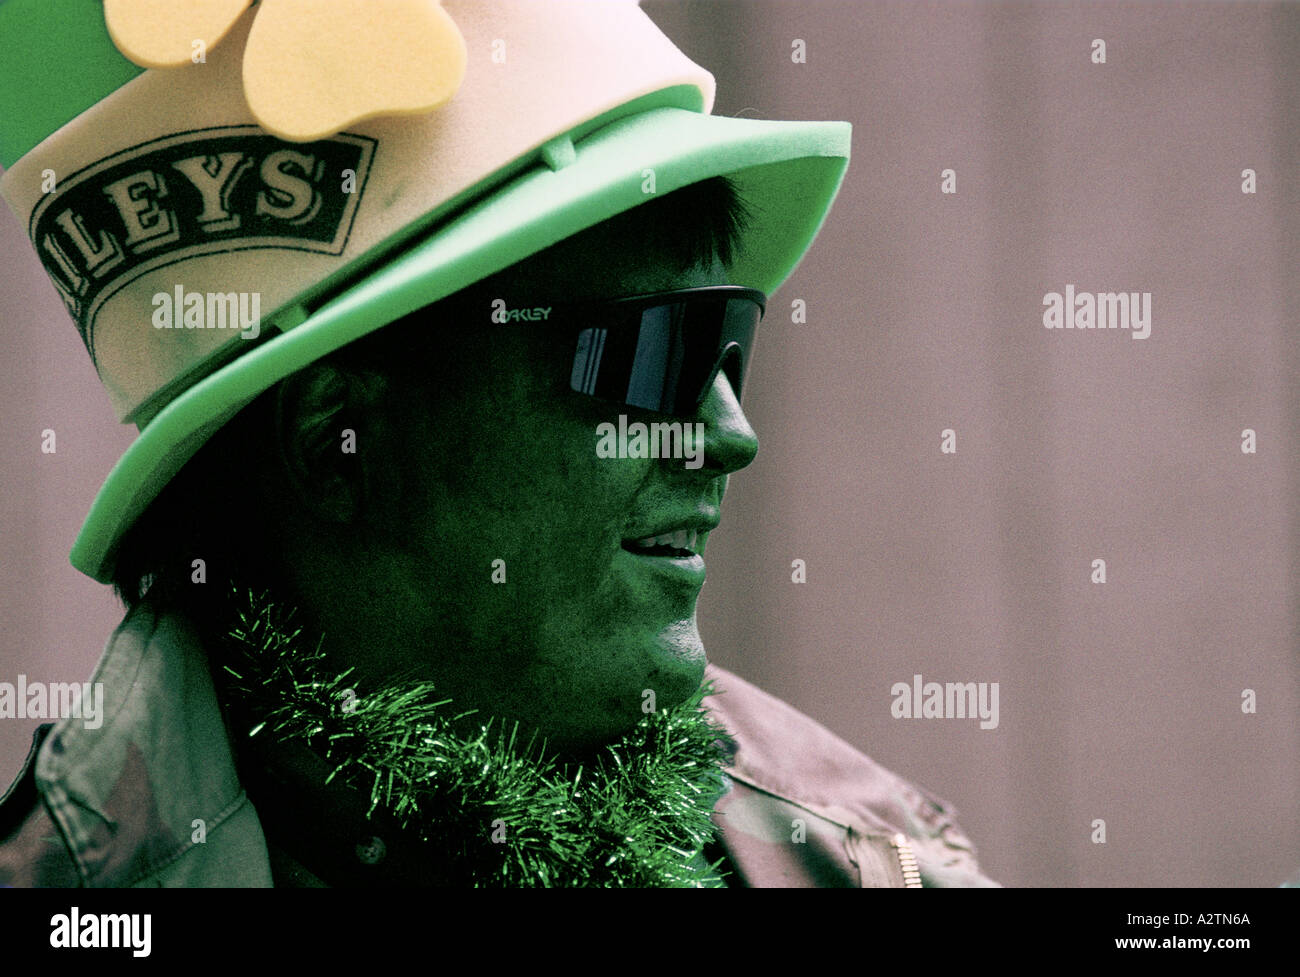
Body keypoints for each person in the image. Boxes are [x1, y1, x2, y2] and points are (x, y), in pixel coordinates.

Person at [0, 0, 996, 887]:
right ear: (336, 440)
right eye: (655, 352)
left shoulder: (874, 860)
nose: (729, 434)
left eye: (728, 341)